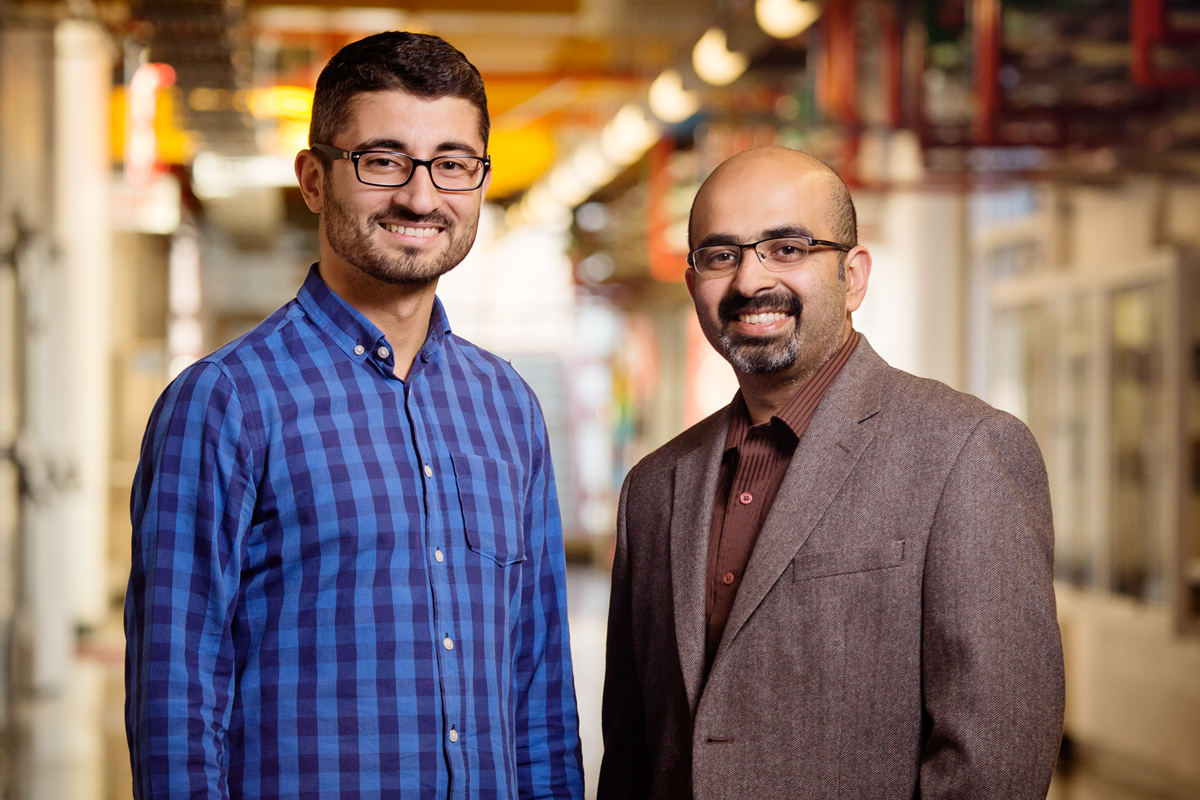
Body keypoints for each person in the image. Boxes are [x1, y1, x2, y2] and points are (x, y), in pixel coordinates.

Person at [125, 31, 584, 800]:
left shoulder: (508, 408)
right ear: (314, 179)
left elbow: (539, 688)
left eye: (452, 164)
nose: (420, 195)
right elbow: (176, 697)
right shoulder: (226, 402)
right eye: (382, 160)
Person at [598, 146, 1063, 799]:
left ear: (855, 276)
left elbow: (994, 760)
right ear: (693, 280)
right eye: (721, 254)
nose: (750, 281)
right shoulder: (653, 488)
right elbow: (632, 752)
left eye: (787, 248)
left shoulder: (965, 453)